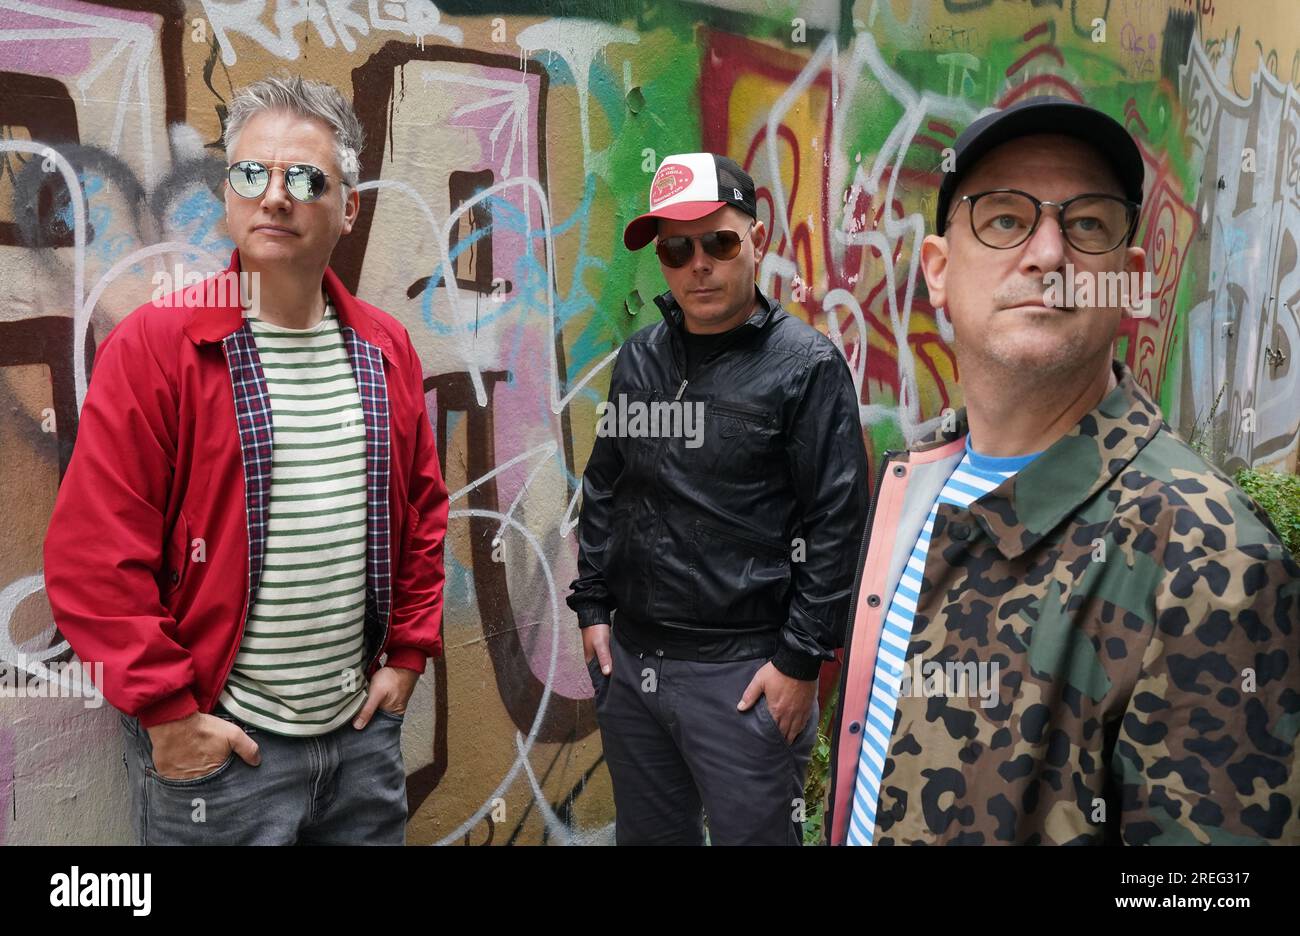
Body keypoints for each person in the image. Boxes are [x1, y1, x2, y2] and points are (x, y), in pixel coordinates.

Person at [826, 96, 1300, 845]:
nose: (1049, 255)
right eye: (1006, 218)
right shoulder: (913, 484)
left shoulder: (1209, 558)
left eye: (1086, 224)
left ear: (1131, 279)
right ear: (940, 272)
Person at [43, 75, 449, 845]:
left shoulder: (384, 349)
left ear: (349, 206)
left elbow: (424, 512)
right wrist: (168, 714)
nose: (275, 196)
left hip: (361, 745)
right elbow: (93, 555)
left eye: (305, 177)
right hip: (225, 759)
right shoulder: (159, 351)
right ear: (229, 196)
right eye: (251, 173)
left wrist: (407, 657)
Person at [568, 152, 869, 844]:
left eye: (718, 241)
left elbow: (838, 526)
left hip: (743, 677)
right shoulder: (641, 359)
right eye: (676, 248)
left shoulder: (806, 368)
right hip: (634, 666)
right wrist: (592, 607)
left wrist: (798, 662)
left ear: (756, 241)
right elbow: (606, 481)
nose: (697, 263)